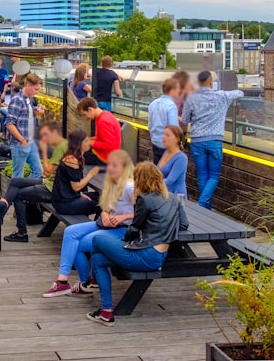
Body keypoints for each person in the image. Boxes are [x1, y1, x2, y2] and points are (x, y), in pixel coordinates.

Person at [87, 162, 188, 326]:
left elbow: (132, 230)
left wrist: (121, 241)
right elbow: (184, 225)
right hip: (161, 255)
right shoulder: (173, 199)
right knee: (98, 260)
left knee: (97, 240)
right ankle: (106, 312)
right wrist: (164, 229)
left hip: (145, 255)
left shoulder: (144, 199)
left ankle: (91, 281)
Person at [43, 149, 135, 297]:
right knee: (70, 231)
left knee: (78, 245)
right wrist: (105, 214)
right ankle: (69, 281)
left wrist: (123, 217)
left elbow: (146, 212)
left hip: (124, 229)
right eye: (109, 165)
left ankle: (83, 283)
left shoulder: (130, 187)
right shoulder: (111, 183)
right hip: (107, 224)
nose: (110, 168)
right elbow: (105, 206)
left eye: (115, 165)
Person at [181, 71, 243, 209]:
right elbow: (239, 93)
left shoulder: (191, 98)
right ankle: (203, 205)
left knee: (202, 175)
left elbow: (185, 119)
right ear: (210, 83)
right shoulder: (222, 96)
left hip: (197, 140)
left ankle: (205, 208)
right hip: (215, 140)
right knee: (214, 175)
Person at [3, 120, 68, 242]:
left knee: (18, 194)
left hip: (53, 189)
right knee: (15, 181)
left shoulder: (61, 147)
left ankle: (21, 232)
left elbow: (48, 171)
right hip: (50, 183)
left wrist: (43, 151)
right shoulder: (62, 145)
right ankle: (2, 211)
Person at [51, 130, 102, 217]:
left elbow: (69, 184)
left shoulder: (73, 157)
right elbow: (76, 187)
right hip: (65, 204)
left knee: (100, 197)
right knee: (103, 205)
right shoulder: (73, 161)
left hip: (65, 198)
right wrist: (91, 174)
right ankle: (95, 228)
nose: (89, 143)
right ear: (79, 144)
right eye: (86, 141)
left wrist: (81, 194)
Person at [5, 73, 44, 181]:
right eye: (36, 89)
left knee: (38, 171)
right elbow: (9, 123)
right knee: (18, 174)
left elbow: (26, 116)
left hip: (30, 141)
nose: (37, 92)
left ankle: (23, 192)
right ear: (27, 85)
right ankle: (14, 196)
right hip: (20, 143)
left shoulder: (29, 99)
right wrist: (22, 139)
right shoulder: (17, 100)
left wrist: (37, 112)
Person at [147, 78, 183, 163]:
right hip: (168, 146)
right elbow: (174, 129)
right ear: (172, 90)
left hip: (155, 143)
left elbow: (150, 125)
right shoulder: (171, 106)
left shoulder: (153, 104)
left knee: (157, 171)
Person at [78, 97, 121, 163]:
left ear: (90, 109)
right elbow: (103, 138)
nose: (85, 117)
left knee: (75, 158)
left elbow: (108, 145)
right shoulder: (105, 114)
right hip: (109, 155)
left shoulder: (103, 121)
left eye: (85, 114)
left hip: (105, 158)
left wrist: (90, 142)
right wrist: (90, 139)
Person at [158, 125, 189, 199]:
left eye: (167, 135)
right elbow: (157, 172)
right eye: (163, 134)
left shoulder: (181, 158)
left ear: (177, 139)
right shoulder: (166, 152)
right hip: (164, 194)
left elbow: (170, 180)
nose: (163, 137)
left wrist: (151, 183)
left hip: (176, 197)